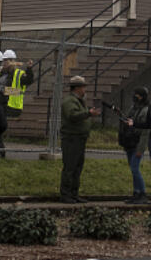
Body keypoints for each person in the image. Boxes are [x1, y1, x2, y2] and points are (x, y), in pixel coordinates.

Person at [59, 74, 99, 203]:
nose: (84, 90)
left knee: (77, 167)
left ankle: (74, 193)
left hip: (79, 138)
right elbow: (72, 116)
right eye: (83, 87)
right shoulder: (69, 101)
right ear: (77, 88)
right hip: (71, 138)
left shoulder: (79, 101)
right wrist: (88, 113)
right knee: (70, 167)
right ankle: (65, 194)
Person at [121, 86, 151, 204]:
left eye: (137, 94)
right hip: (130, 142)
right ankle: (136, 193)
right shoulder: (133, 108)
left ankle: (143, 193)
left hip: (137, 143)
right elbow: (129, 119)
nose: (135, 96)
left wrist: (140, 149)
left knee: (135, 168)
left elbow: (145, 132)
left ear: (142, 96)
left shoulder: (145, 111)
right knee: (133, 169)